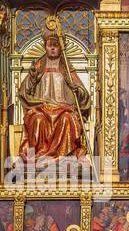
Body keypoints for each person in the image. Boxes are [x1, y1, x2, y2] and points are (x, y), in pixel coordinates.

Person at [17, 19, 90, 160]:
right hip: (42, 108)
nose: (52, 48)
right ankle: (38, 157)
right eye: (49, 46)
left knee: (68, 119)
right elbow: (24, 92)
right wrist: (32, 79)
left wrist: (77, 90)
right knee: (37, 120)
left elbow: (83, 93)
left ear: (60, 48)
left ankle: (65, 157)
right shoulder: (39, 65)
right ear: (45, 47)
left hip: (63, 108)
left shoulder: (66, 67)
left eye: (55, 46)